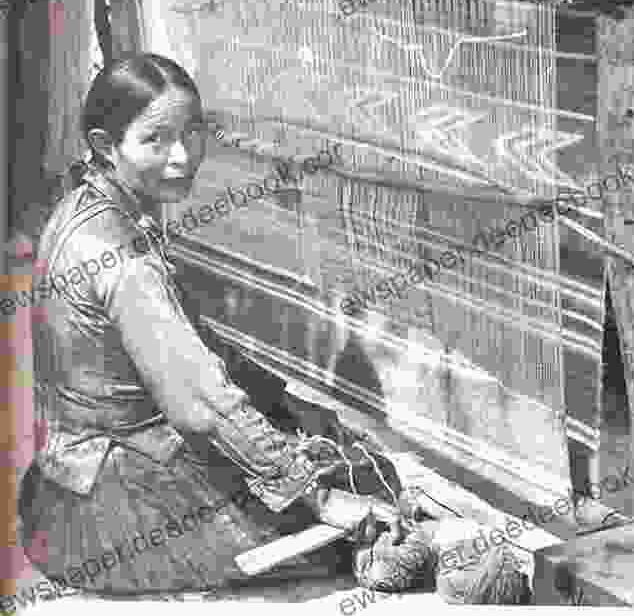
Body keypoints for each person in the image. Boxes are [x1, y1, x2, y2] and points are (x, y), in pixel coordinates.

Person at [19, 53, 396, 596]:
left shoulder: (86, 207)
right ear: (106, 146)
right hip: (106, 517)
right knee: (360, 513)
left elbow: (194, 342)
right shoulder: (120, 254)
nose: (182, 156)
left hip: (62, 492)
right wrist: (316, 495)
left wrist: (287, 402)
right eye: (156, 139)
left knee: (329, 455)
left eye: (192, 133)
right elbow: (198, 398)